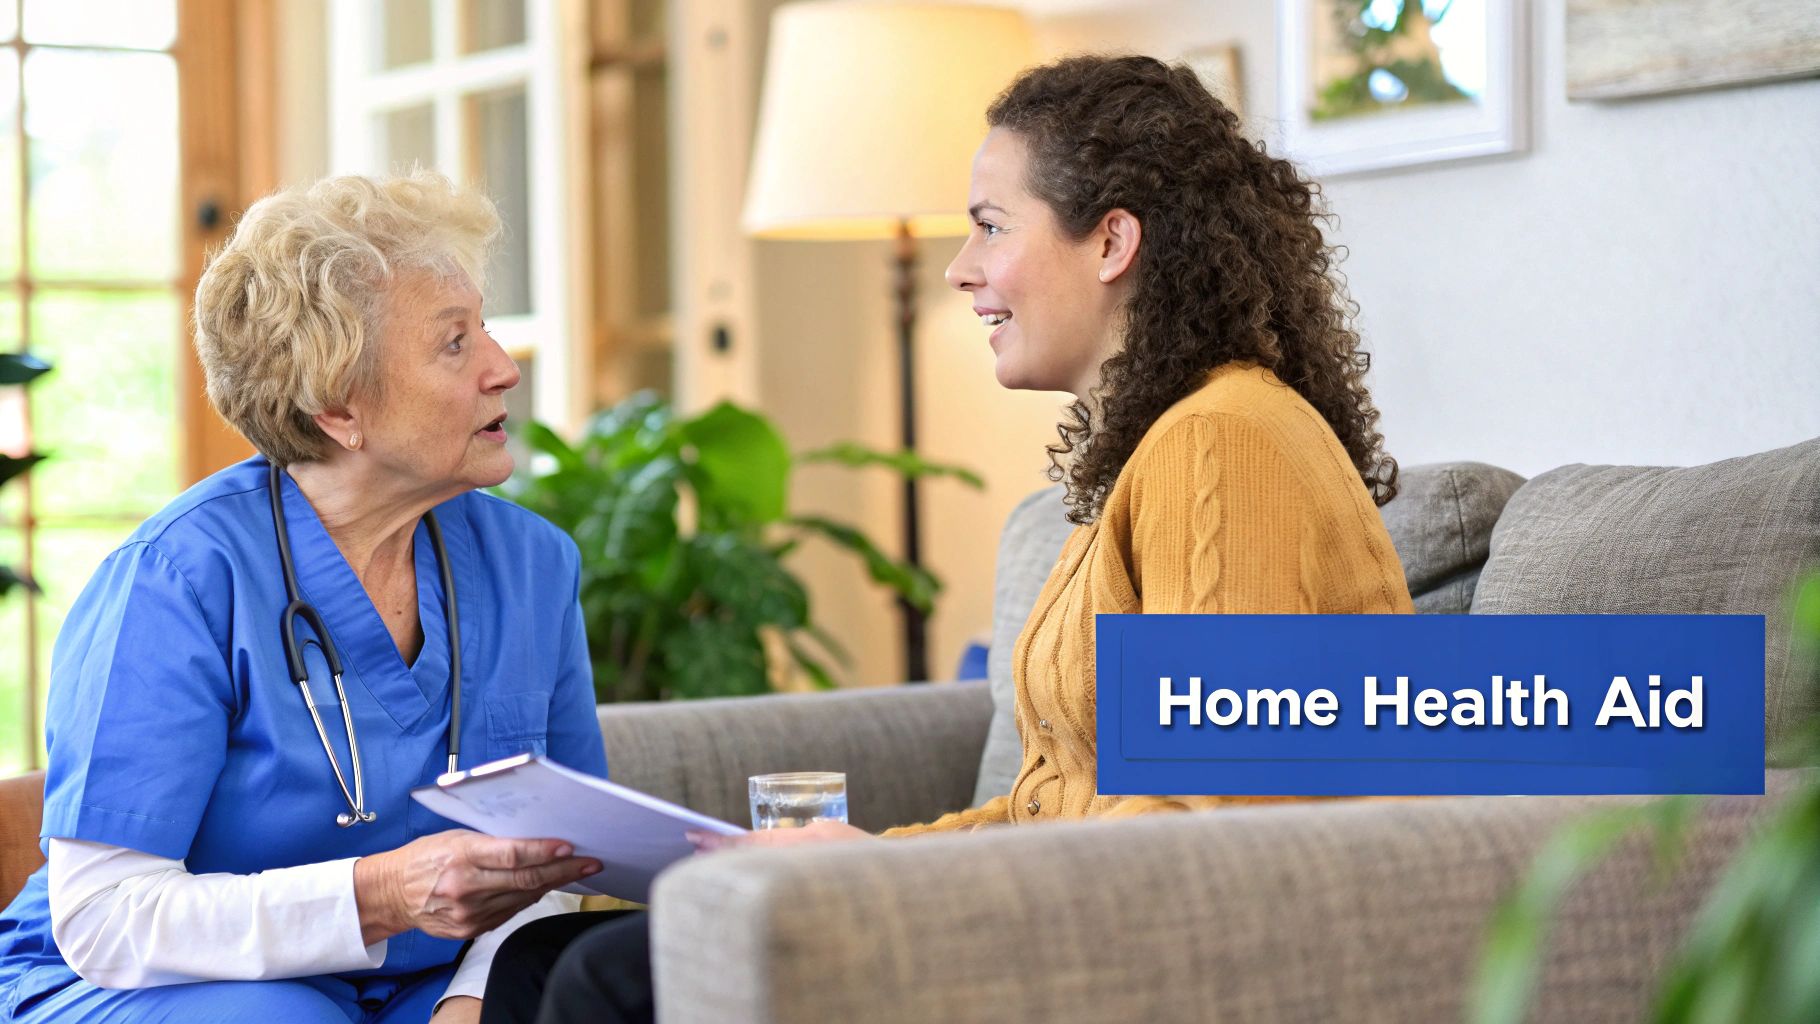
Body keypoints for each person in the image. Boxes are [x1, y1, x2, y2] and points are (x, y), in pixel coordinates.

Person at [479, 52, 1415, 1024]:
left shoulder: (1222, 441)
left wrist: (896, 889)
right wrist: (870, 861)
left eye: (988, 226)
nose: (959, 268)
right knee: (556, 949)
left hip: (1131, 952)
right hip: (1054, 910)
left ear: (1110, 242)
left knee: (602, 976)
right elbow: (1043, 805)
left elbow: (1213, 827)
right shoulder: (1148, 458)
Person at [0, 172, 608, 1023]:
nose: (504, 369)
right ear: (338, 408)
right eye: (455, 343)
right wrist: (378, 895)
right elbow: (106, 919)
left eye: (487, 331)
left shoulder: (532, 566)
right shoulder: (176, 580)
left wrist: (475, 998)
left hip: (421, 986)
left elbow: (566, 859)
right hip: (150, 984)